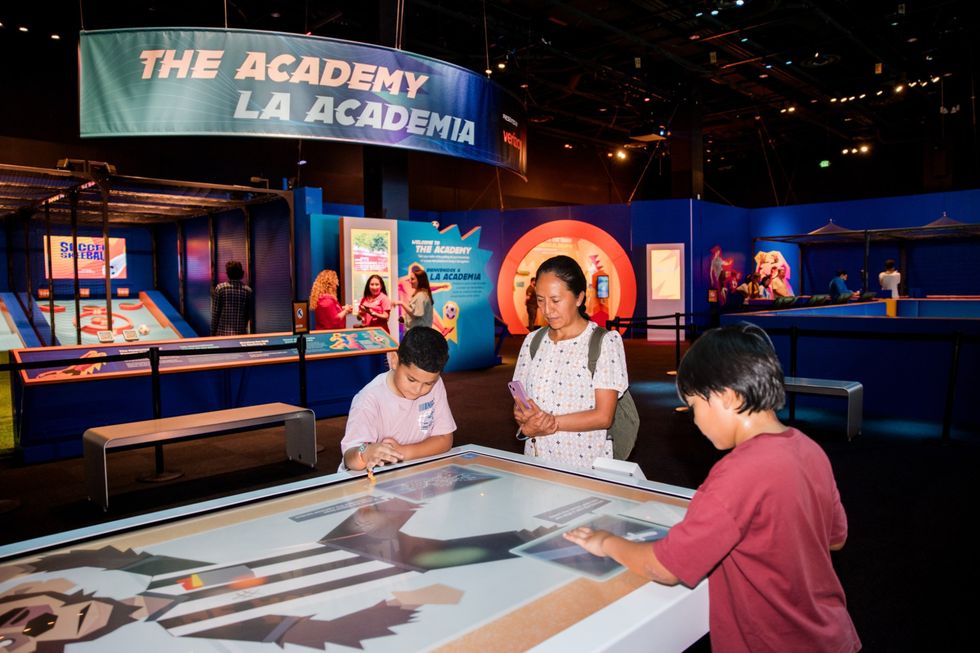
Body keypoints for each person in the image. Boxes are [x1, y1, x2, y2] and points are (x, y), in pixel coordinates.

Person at [563, 323, 861, 653]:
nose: (694, 421)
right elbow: (836, 538)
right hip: (831, 637)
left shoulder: (736, 474)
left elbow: (663, 567)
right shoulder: (809, 449)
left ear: (728, 397)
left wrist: (607, 542)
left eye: (695, 407)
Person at [511, 255, 628, 468]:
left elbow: (604, 416)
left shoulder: (604, 342)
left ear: (579, 297)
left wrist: (552, 423)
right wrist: (522, 416)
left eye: (556, 300)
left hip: (584, 466)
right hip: (536, 461)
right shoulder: (532, 341)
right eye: (540, 300)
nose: (547, 310)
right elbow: (521, 403)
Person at [341, 325, 455, 472]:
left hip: (409, 475)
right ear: (394, 360)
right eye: (411, 380)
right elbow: (350, 459)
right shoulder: (369, 398)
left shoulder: (436, 384)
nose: (418, 390)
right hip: (366, 482)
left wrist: (402, 452)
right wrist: (365, 451)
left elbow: (445, 439)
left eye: (428, 383)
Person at [210, 260, 252, 336]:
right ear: (241, 273)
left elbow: (215, 314)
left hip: (222, 334)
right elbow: (248, 315)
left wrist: (212, 333)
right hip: (240, 334)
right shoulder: (247, 290)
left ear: (228, 274)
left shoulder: (220, 288)